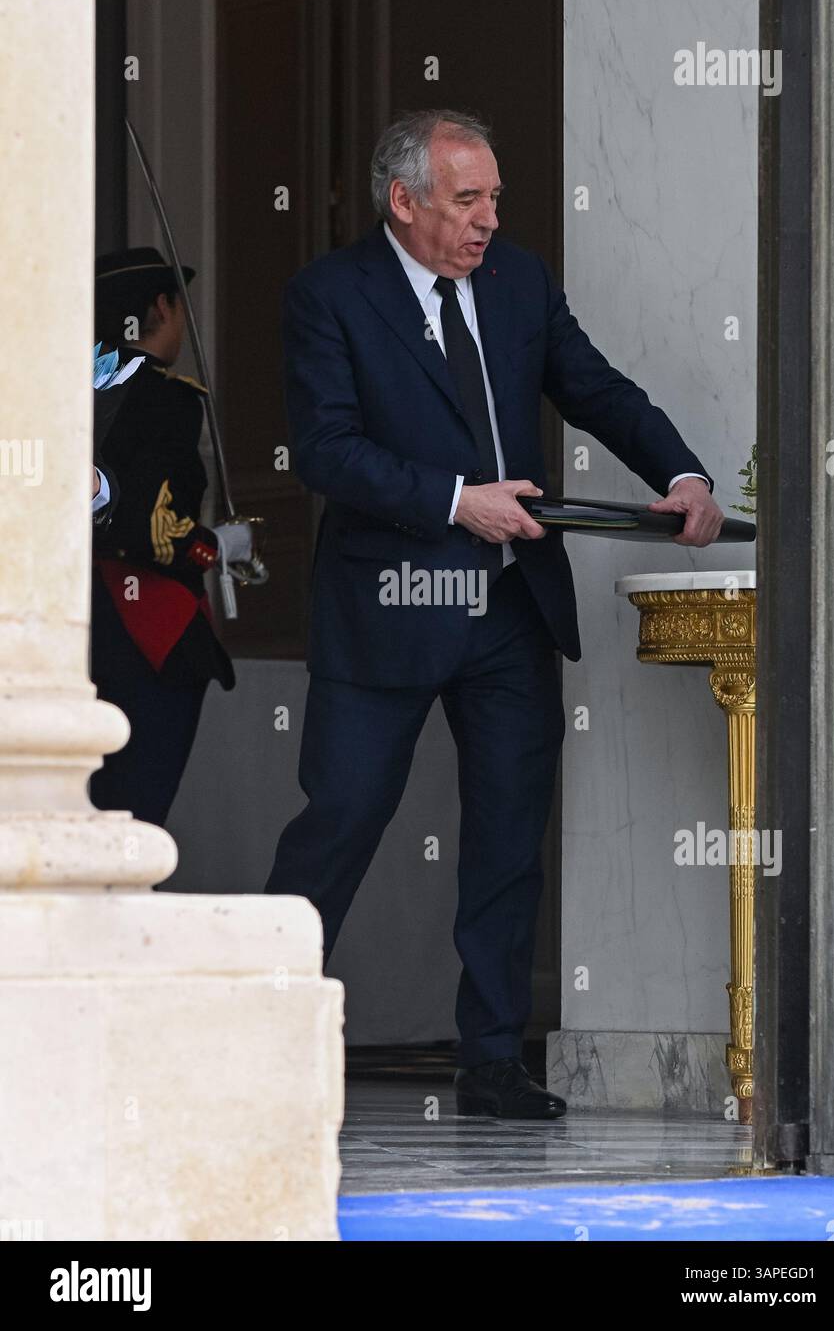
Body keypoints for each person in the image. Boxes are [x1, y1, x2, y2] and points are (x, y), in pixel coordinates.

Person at [265, 109, 723, 1118]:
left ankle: (489, 1062)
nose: (487, 220)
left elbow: (590, 386)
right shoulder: (329, 295)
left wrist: (679, 471)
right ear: (404, 200)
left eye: (494, 199)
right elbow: (326, 448)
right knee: (339, 820)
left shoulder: (514, 281)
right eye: (466, 200)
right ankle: (252, 1032)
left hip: (508, 605)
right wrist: (452, 498)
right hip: (387, 604)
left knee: (508, 836)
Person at [89, 247, 251, 827]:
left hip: (69, 627)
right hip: (141, 629)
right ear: (162, 305)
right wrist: (217, 546)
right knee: (132, 819)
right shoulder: (165, 398)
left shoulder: (66, 390)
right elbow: (156, 529)